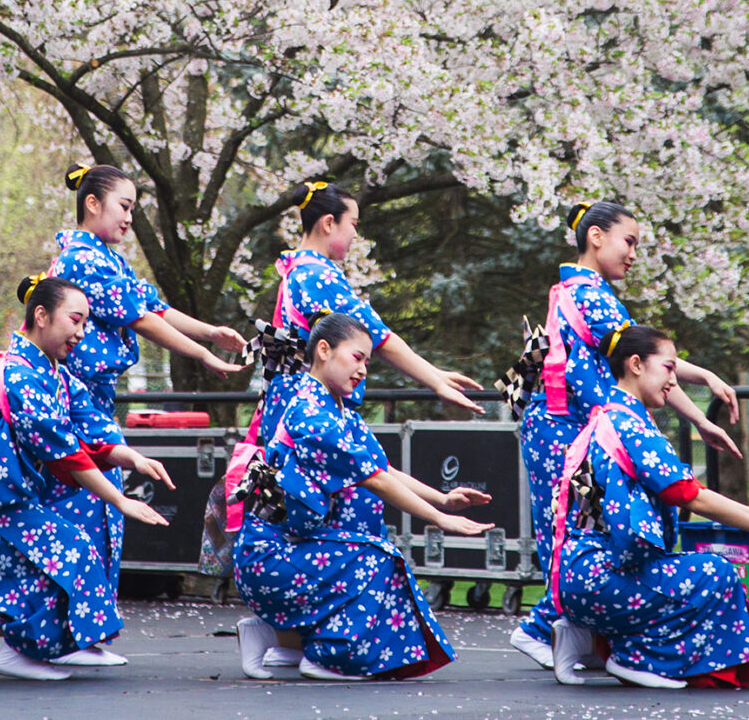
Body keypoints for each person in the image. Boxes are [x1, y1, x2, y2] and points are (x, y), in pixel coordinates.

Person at [511, 200, 742, 669]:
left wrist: (697, 405)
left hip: (563, 425)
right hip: (564, 427)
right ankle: (543, 629)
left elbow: (645, 362)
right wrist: (702, 397)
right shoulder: (589, 293)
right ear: (596, 236)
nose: (634, 254)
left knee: (580, 529)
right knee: (579, 530)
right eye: (629, 241)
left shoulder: (573, 288)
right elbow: (644, 358)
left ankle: (572, 631)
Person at [0, 276, 174, 680]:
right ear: (41, 316)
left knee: (76, 548)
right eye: (75, 320)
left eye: (84, 324)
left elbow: (91, 428)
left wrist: (131, 457)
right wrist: (122, 499)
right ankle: (22, 652)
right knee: (67, 558)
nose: (80, 333)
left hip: (7, 505)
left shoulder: (53, 374)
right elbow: (65, 452)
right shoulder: (17, 375)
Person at [233, 313, 494, 680]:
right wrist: (441, 519)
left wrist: (443, 499)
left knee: (376, 564)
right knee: (379, 561)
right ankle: (324, 656)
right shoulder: (310, 414)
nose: (364, 370)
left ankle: (275, 638)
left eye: (368, 362)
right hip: (273, 556)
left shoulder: (339, 409)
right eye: (357, 358)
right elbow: (375, 481)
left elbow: (381, 469)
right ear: (323, 350)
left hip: (302, 545)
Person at [551, 324, 749, 689]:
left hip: (581, 575)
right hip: (601, 576)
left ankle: (582, 633)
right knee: (714, 573)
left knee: (687, 570)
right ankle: (636, 659)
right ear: (637, 364)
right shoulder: (630, 425)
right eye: (669, 367)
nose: (674, 380)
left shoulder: (610, 415)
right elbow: (689, 494)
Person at [50, 163, 245, 591]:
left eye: (132, 209)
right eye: (123, 206)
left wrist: (211, 333)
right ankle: (70, 630)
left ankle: (86, 629)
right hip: (74, 401)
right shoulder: (82, 259)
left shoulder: (107, 258)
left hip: (92, 401)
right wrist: (203, 356)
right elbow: (141, 319)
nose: (128, 218)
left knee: (98, 509)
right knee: (84, 509)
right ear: (92, 203)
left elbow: (154, 308)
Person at [262, 181, 485, 445]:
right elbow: (379, 338)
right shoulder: (317, 275)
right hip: (313, 412)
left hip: (297, 404)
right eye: (353, 224)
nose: (355, 235)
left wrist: (436, 374)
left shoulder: (298, 269)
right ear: (329, 223)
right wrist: (435, 382)